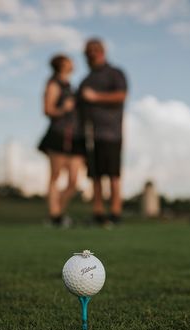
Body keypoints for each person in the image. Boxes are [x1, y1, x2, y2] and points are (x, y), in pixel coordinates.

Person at [78, 38, 128, 225]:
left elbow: (121, 95)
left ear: (102, 52)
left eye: (95, 50)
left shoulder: (115, 73)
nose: (92, 54)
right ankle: (98, 214)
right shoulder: (85, 80)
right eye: (88, 51)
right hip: (90, 135)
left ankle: (115, 215)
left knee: (113, 175)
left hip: (111, 133)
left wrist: (95, 97)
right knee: (95, 176)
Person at [38, 55, 85, 226]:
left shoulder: (70, 86)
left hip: (75, 137)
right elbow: (47, 109)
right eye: (68, 61)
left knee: (73, 181)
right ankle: (54, 215)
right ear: (61, 65)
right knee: (55, 176)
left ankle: (58, 214)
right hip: (58, 135)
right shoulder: (53, 84)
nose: (72, 63)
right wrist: (63, 109)